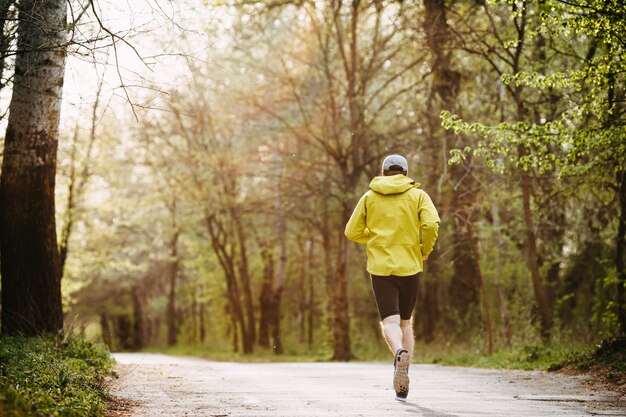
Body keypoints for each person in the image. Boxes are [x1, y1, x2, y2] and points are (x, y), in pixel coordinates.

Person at [344, 154, 440, 402]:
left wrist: (375, 237)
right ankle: (404, 370)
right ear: (406, 174)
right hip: (410, 264)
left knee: (389, 321)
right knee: (406, 322)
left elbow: (351, 231)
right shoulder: (418, 195)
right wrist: (423, 251)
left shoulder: (369, 197)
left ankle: (398, 352)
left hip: (381, 267)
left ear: (383, 173)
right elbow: (431, 224)